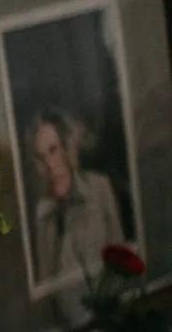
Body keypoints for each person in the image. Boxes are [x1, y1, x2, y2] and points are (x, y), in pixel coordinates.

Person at [29, 110, 125, 286]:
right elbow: (45, 282)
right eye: (41, 157)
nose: (49, 164)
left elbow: (121, 256)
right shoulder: (42, 211)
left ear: (67, 147)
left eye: (53, 150)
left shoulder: (100, 188)